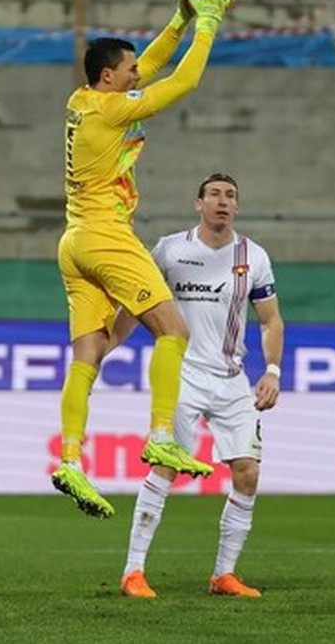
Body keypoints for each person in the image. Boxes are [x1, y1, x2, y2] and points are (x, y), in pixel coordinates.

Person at [51, 0, 237, 518]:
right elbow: (182, 83)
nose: (137, 74)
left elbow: (151, 66)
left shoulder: (84, 100)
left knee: (90, 353)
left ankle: (70, 459)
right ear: (110, 77)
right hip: (109, 236)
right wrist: (206, 24)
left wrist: (177, 19)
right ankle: (161, 434)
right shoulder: (111, 110)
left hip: (73, 241)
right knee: (173, 331)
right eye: (127, 71)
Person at [119, 174, 284, 599]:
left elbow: (270, 320)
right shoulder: (171, 250)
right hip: (182, 376)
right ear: (198, 204)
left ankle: (223, 575)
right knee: (166, 465)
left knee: (247, 472)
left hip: (232, 379)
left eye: (230, 195)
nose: (223, 201)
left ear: (237, 206)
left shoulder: (253, 256)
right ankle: (133, 571)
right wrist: (105, 345)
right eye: (214, 194)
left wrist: (272, 371)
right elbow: (138, 304)